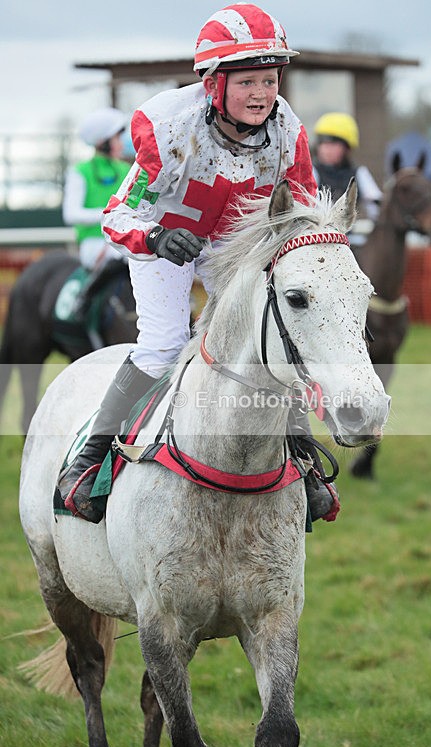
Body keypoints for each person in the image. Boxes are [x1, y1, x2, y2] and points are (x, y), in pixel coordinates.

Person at [58, 3, 335, 525]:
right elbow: (118, 212)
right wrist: (158, 236)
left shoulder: (289, 133)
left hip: (231, 242)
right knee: (163, 345)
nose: (262, 94)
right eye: (248, 81)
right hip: (164, 239)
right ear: (214, 84)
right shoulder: (166, 127)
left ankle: (301, 457)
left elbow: (301, 209)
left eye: (270, 80)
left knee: (269, 337)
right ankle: (89, 460)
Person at [63, 107, 131, 275]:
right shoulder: (80, 171)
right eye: (118, 138)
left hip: (127, 240)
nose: (123, 142)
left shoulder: (127, 169)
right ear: (104, 142)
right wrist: (110, 215)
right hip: (94, 244)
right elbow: (71, 214)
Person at [312, 111, 382, 243]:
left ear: (347, 148)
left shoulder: (360, 173)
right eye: (322, 142)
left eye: (333, 143)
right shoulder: (311, 172)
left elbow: (377, 207)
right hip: (319, 241)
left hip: (353, 241)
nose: (326, 149)